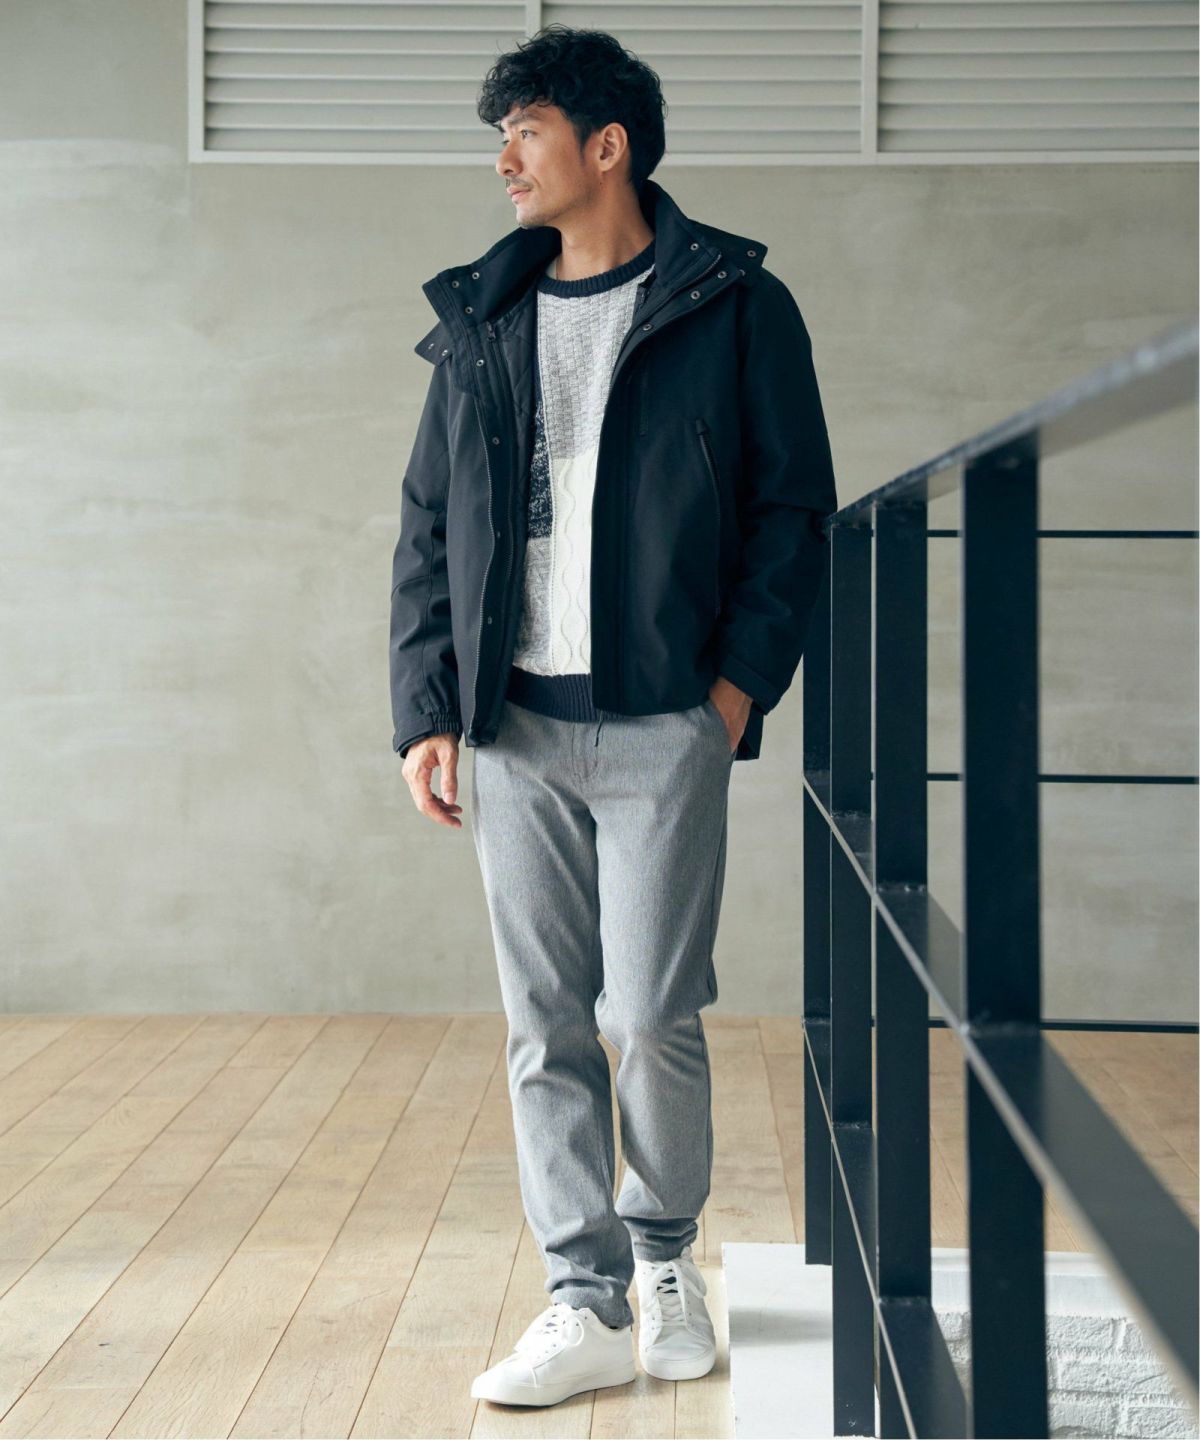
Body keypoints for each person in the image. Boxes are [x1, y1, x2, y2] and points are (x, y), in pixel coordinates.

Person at [388, 23, 838, 1410]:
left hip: (662, 722)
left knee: (649, 1011)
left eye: (525, 131)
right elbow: (428, 526)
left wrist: (731, 693)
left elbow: (792, 512)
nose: (505, 160)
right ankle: (579, 1300)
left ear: (607, 145)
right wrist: (426, 709)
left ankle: (663, 1262)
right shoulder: (484, 318)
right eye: (500, 137)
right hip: (512, 722)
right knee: (544, 1020)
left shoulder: (735, 304)